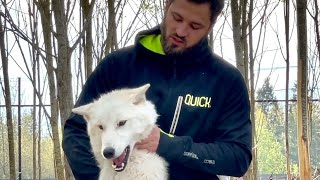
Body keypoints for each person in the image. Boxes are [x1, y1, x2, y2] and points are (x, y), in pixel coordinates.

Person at [62, 0, 252, 179]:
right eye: (177, 18)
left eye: (195, 26)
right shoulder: (118, 66)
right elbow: (76, 130)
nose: (181, 31)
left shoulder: (226, 80)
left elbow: (237, 156)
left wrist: (169, 145)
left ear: (210, 26)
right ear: (166, 4)